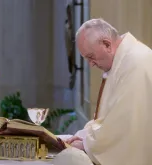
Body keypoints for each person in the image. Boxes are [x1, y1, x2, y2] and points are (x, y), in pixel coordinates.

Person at [63, 18, 152, 165]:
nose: (91, 64)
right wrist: (85, 135)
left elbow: (126, 126)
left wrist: (87, 144)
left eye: (91, 57)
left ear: (107, 44)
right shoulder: (123, 61)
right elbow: (111, 117)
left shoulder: (136, 64)